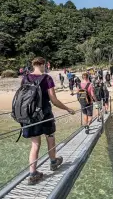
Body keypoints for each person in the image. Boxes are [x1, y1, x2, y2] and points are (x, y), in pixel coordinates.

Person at [21, 57, 75, 185]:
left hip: (29, 116)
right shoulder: (47, 78)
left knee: (35, 145)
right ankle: (53, 162)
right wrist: (67, 108)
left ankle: (33, 173)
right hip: (45, 114)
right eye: (45, 65)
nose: (46, 67)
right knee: (50, 139)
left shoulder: (25, 78)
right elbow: (54, 100)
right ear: (42, 64)